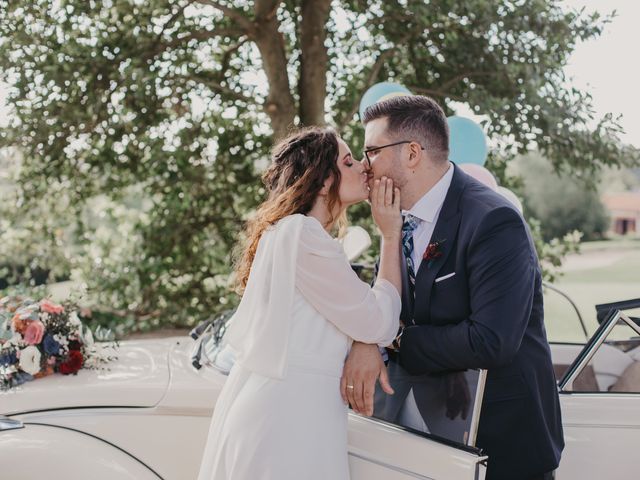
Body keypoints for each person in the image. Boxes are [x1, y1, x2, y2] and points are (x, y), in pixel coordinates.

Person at [341, 95, 564, 480]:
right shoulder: (395, 222)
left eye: (372, 151)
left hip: (503, 440)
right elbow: (388, 302)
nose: (364, 165)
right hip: (433, 438)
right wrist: (367, 336)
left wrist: (394, 339)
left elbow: (492, 340)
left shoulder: (493, 221)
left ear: (412, 153)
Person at [197, 126, 402, 480]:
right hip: (290, 418)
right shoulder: (304, 234)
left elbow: (353, 318)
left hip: (288, 408)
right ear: (324, 182)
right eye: (349, 162)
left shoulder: (291, 232)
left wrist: (360, 338)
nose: (363, 169)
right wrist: (390, 235)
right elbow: (378, 322)